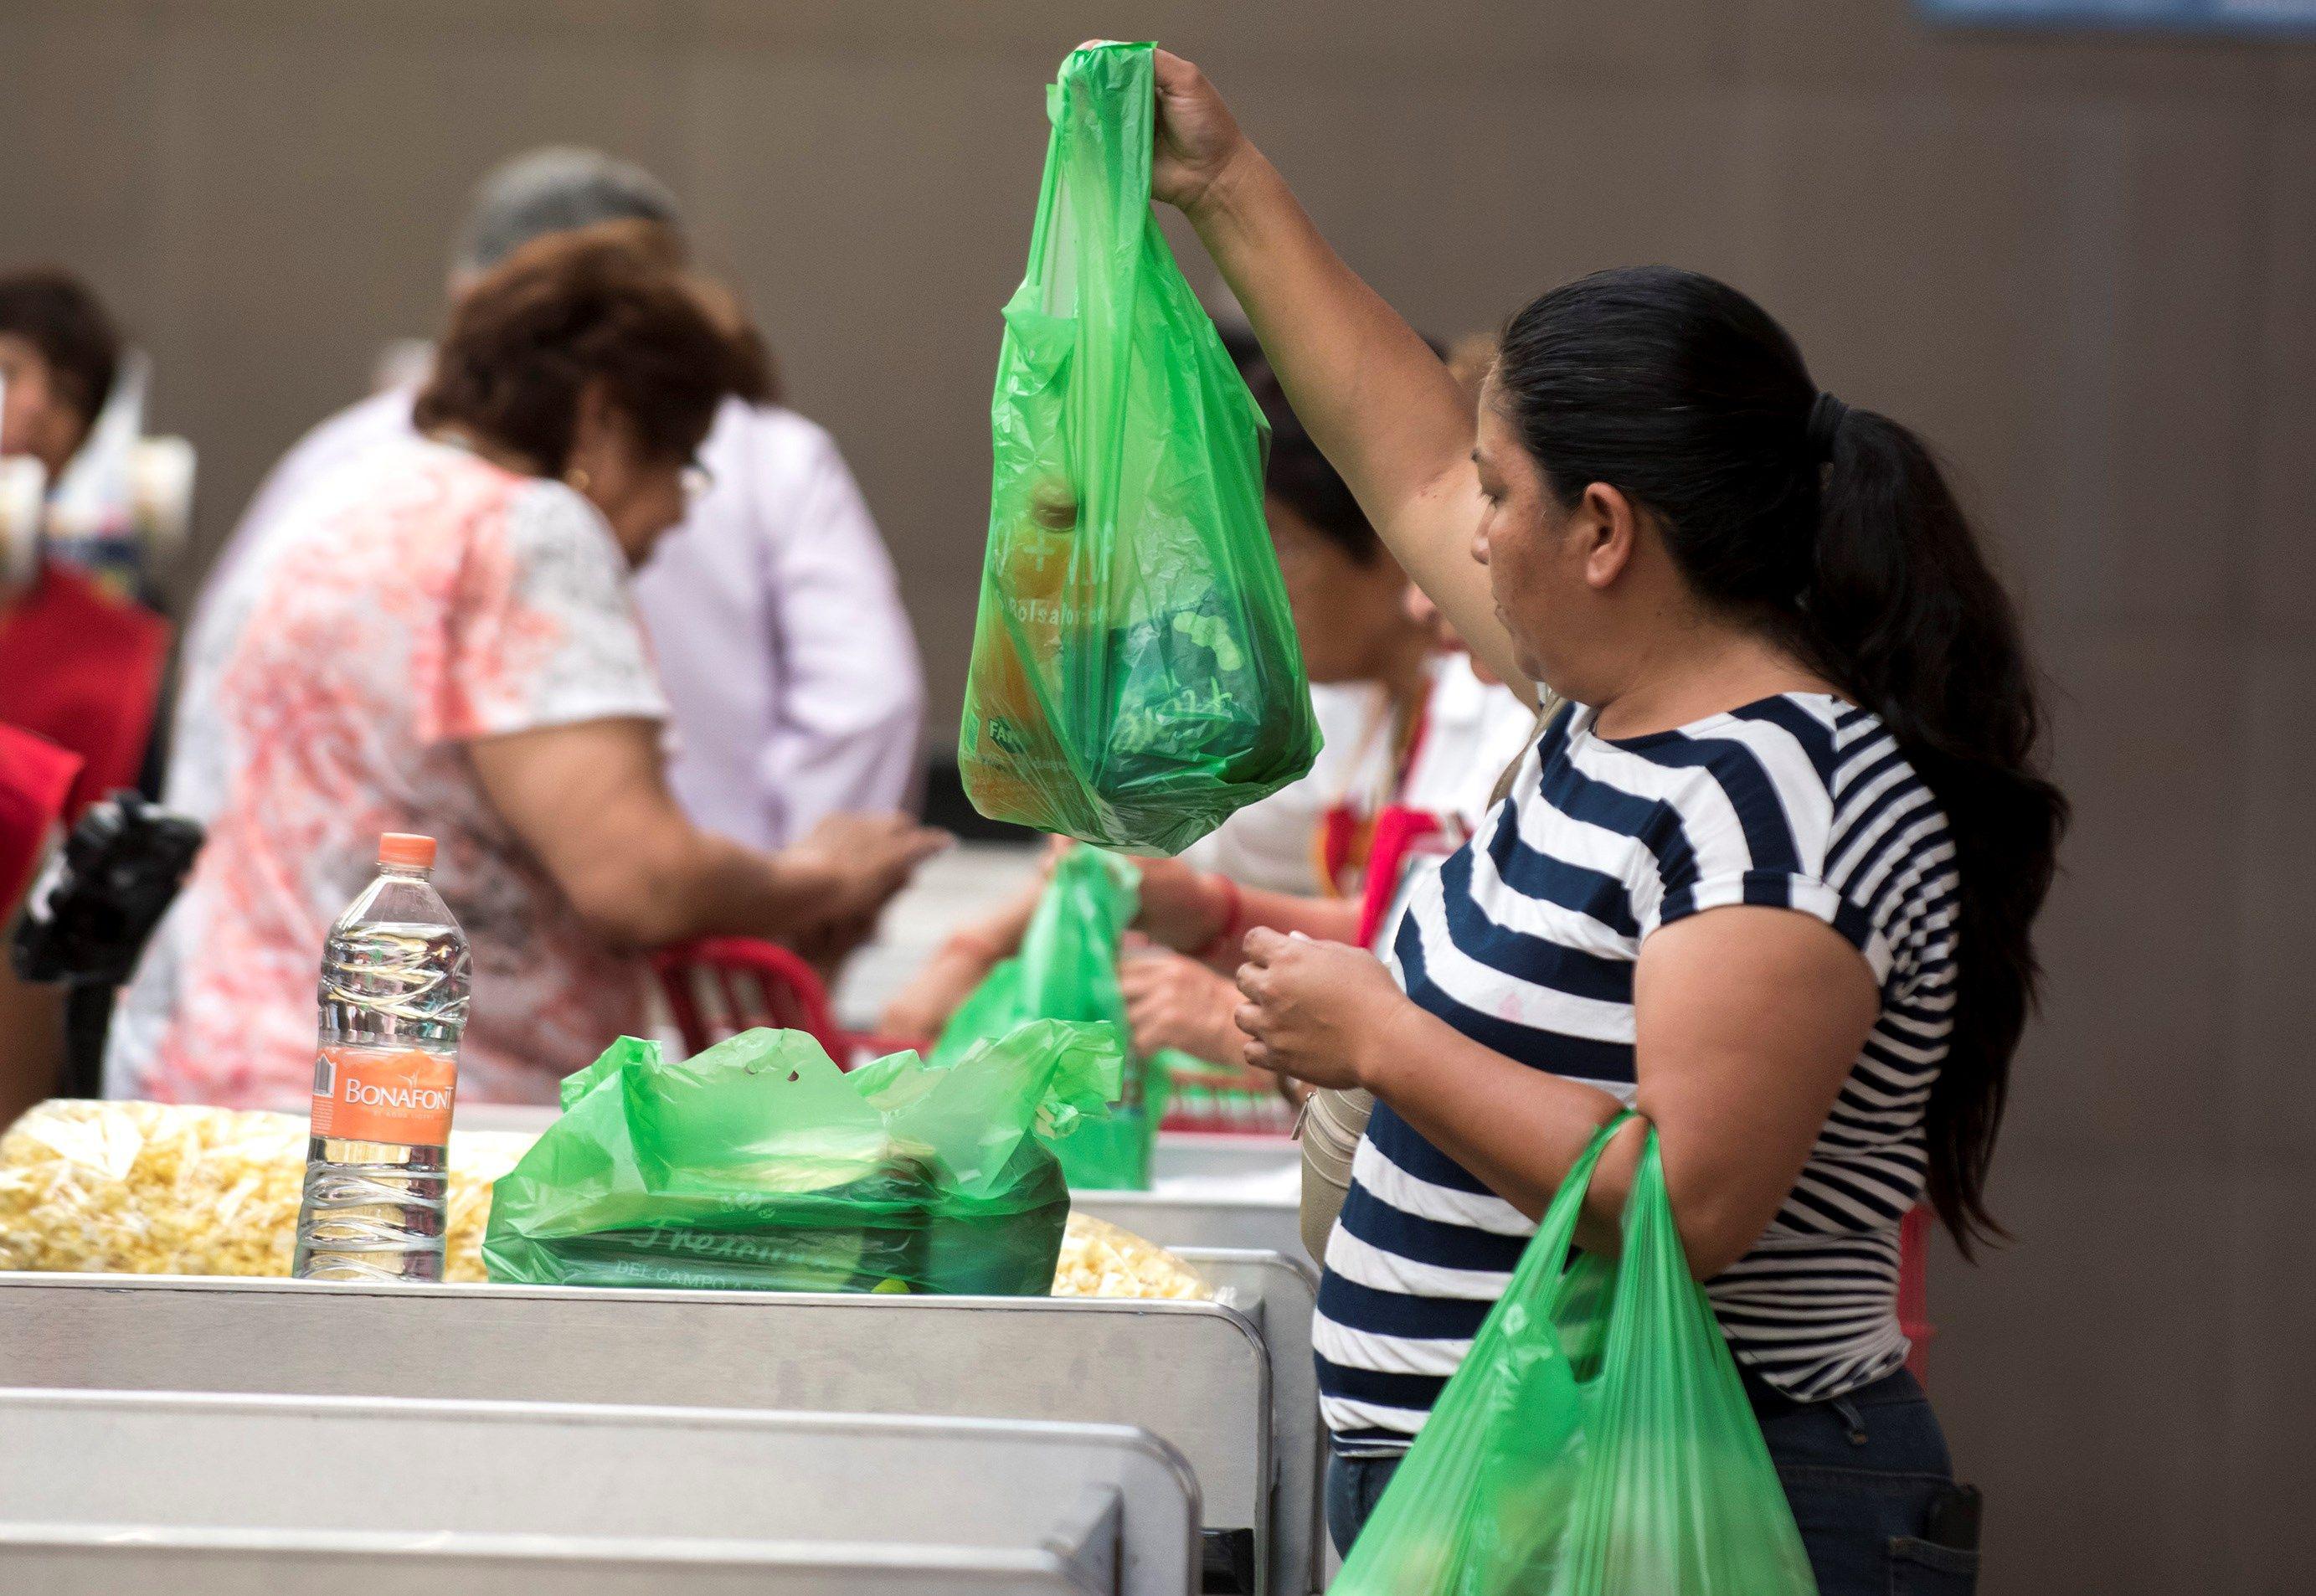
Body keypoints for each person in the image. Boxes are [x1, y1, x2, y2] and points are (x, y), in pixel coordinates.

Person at [1131, 48, 2065, 1592]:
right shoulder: (1608, 718)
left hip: (1689, 1498)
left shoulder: (1776, 792)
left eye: (1498, 493)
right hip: (1520, 1499)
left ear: (1605, 531)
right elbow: (1394, 446)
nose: (1466, 534)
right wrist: (1220, 182)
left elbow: (1685, 1204)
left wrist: (1384, 1040)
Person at [106, 229, 946, 1110]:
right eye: (682, 462)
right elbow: (637, 877)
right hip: (412, 1117)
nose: (677, 512)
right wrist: (816, 879)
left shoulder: (343, 494)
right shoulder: (528, 531)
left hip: (224, 1073)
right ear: (603, 419)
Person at [202, 147, 924, 852]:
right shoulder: (556, 517)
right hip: (494, 908)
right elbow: (863, 701)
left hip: (346, 906)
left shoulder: (345, 458)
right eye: (681, 464)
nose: (683, 509)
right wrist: (797, 889)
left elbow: (222, 698)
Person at [0, 271, 172, 825]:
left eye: (66, 396)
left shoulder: (116, 650)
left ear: (82, 446)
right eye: (8, 373)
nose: (32, 406)